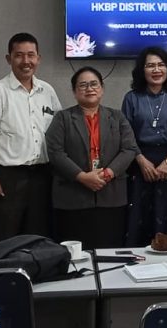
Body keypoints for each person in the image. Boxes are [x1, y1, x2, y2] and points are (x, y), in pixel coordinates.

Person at [0, 32, 61, 242]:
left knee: (39, 236)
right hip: (8, 177)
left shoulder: (47, 90)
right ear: (9, 59)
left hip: (42, 175)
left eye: (31, 55)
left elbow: (60, 130)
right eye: (19, 55)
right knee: (5, 236)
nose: (26, 61)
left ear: (38, 58)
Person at [47, 67, 137, 249]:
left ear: (102, 88)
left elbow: (129, 149)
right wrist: (82, 177)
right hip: (72, 198)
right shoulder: (62, 118)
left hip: (111, 196)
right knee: (74, 253)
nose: (89, 89)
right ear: (74, 91)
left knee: (109, 250)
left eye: (94, 84)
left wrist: (107, 174)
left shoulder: (117, 117)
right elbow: (55, 152)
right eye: (83, 85)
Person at [122, 47, 167, 246]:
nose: (156, 70)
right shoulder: (132, 98)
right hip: (140, 162)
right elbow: (126, 135)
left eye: (161, 65)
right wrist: (141, 161)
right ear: (142, 70)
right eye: (150, 65)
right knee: (140, 216)